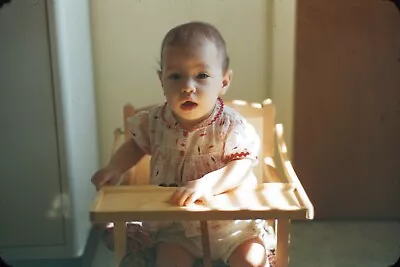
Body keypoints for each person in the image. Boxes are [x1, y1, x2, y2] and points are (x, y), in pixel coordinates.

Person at [91, 21, 272, 267]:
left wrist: (208, 184)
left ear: (224, 81)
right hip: (175, 226)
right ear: (161, 80)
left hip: (232, 225)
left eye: (202, 75)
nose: (188, 87)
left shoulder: (231, 126)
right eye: (175, 76)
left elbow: (241, 165)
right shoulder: (154, 122)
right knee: (168, 261)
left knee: (253, 260)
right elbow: (134, 146)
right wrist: (114, 167)